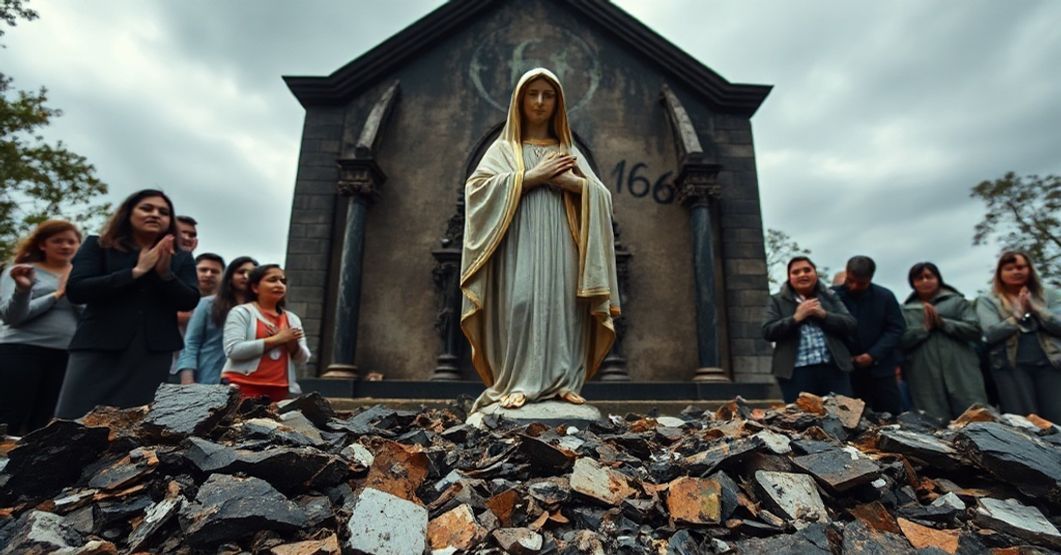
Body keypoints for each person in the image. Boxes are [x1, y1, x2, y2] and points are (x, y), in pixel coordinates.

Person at [460, 67, 620, 412]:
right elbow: (476, 191)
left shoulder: (568, 151)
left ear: (558, 103)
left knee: (562, 307)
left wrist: (573, 185)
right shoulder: (503, 150)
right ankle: (517, 381)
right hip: (519, 244)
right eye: (532, 94)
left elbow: (601, 196)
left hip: (563, 241)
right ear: (519, 101)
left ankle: (563, 382)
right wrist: (531, 177)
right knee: (522, 302)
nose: (539, 102)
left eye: (548, 95)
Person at [54, 190, 199, 419]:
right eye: (147, 208)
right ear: (128, 213)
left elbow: (190, 299)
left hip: (153, 351)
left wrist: (164, 274)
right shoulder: (98, 245)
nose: (155, 214)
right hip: (98, 345)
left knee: (135, 424)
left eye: (163, 212)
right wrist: (135, 272)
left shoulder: (180, 257)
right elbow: (77, 289)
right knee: (74, 419)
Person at [0, 220, 82, 434]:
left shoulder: (82, 275)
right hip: (20, 351)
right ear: (42, 245)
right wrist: (55, 295)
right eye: (58, 241)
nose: (65, 246)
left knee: (43, 422)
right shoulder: (20, 271)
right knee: (10, 417)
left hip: (66, 356)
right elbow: (13, 317)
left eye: (71, 242)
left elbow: (88, 316)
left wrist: (74, 291)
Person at [975, 251, 1061, 421]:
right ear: (1000, 273)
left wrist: (1037, 310)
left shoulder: (1049, 294)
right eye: (1009, 268)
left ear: (1029, 269)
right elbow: (990, 334)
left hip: (1051, 364)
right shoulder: (988, 301)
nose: (1016, 271)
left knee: (1056, 417)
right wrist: (1016, 317)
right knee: (1025, 421)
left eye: (1021, 267)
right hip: (1010, 368)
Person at [899, 262, 987, 421]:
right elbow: (900, 340)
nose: (925, 281)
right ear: (913, 283)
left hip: (961, 370)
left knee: (974, 416)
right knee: (933, 422)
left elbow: (975, 330)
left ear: (938, 278)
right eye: (919, 278)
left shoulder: (957, 302)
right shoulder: (905, 310)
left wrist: (943, 323)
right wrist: (924, 329)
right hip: (924, 374)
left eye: (929, 277)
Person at [763, 256, 857, 402]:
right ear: (789, 278)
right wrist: (796, 318)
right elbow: (768, 331)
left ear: (815, 273)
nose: (802, 275)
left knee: (841, 418)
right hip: (795, 373)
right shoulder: (777, 300)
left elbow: (850, 324)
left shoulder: (830, 296)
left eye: (807, 270)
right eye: (796, 272)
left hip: (833, 368)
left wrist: (824, 315)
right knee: (801, 420)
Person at [221, 264, 307, 402]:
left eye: (283, 281)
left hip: (281, 390)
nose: (279, 285)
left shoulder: (292, 319)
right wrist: (276, 339)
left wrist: (291, 343)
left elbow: (303, 358)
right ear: (255, 287)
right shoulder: (241, 313)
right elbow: (233, 350)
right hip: (242, 386)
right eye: (273, 280)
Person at [834, 255, 906, 415]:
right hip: (846, 371)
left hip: (880, 369)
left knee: (890, 415)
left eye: (860, 283)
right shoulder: (833, 296)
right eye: (850, 280)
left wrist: (872, 355)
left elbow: (896, 328)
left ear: (869, 278)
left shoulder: (885, 296)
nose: (853, 286)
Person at [176, 257, 257, 385]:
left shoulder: (260, 310)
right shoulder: (208, 304)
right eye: (241, 272)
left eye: (251, 273)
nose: (246, 276)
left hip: (247, 379)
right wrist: (187, 379)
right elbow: (191, 342)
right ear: (230, 276)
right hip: (210, 376)